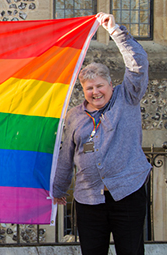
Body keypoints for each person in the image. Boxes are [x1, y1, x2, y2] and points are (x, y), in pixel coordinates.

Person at [52, 13, 151, 255]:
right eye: (89, 88)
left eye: (99, 86)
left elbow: (138, 64)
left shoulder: (127, 97)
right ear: (83, 90)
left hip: (127, 194)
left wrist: (116, 32)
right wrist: (58, 188)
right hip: (88, 200)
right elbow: (67, 154)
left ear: (110, 84)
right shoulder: (75, 115)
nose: (95, 92)